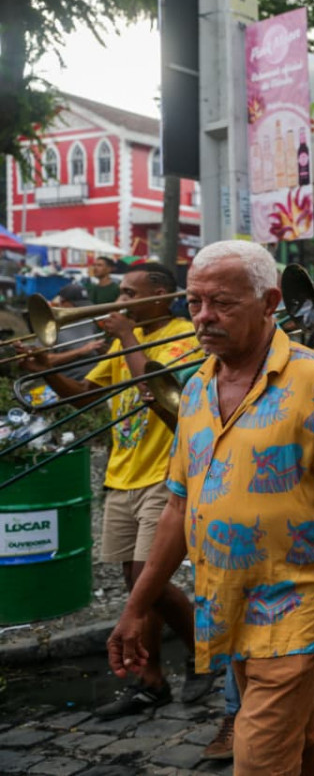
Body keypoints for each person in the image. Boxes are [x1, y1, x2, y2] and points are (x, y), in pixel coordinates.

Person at [106, 240, 314, 776]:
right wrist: (136, 607)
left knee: (258, 757)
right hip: (226, 603)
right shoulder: (195, 388)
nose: (204, 316)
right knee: (302, 736)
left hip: (294, 606)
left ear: (269, 302)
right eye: (194, 302)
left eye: (222, 303)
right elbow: (178, 507)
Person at [23, 263, 210, 716]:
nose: (120, 301)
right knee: (135, 584)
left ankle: (204, 655)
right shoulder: (127, 340)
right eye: (120, 293)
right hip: (121, 474)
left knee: (149, 582)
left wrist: (126, 336)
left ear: (162, 296)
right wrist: (46, 371)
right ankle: (152, 681)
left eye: (129, 294)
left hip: (166, 474)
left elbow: (159, 391)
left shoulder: (186, 336)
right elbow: (87, 394)